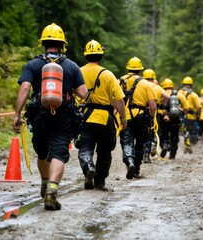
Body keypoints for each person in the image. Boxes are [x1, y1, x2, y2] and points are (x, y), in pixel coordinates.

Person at [13, 23, 87, 211]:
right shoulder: (71, 65)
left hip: (39, 114)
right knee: (59, 153)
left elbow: (25, 88)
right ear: (62, 44)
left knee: (42, 152)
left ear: (43, 43)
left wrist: (17, 114)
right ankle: (52, 192)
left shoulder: (33, 64)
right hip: (63, 115)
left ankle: (45, 183)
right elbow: (83, 93)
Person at [77, 40, 127, 191]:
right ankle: (99, 181)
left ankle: (88, 167)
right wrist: (123, 119)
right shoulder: (108, 74)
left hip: (84, 116)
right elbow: (119, 100)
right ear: (101, 56)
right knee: (104, 151)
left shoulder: (78, 72)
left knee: (85, 147)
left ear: (85, 56)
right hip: (105, 118)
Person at [119, 57, 156, 178]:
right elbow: (152, 105)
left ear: (128, 68)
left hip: (125, 116)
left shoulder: (120, 81)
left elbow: (115, 100)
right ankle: (136, 169)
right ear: (140, 70)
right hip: (141, 116)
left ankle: (129, 161)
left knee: (126, 141)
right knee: (140, 143)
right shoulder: (146, 83)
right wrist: (152, 117)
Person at [142, 69, 169, 163]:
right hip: (154, 112)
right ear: (153, 77)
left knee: (143, 133)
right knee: (155, 131)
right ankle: (157, 145)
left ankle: (144, 153)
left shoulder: (141, 85)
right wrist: (162, 103)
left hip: (141, 111)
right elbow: (167, 97)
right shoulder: (157, 87)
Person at [159, 78, 189, 159]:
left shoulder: (161, 93)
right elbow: (186, 107)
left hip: (163, 119)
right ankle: (172, 155)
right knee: (174, 136)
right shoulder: (179, 95)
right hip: (176, 119)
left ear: (163, 86)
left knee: (163, 134)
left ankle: (164, 145)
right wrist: (181, 115)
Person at [178, 76, 201, 153]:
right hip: (191, 116)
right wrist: (198, 115)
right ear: (191, 85)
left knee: (185, 130)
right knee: (192, 132)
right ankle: (190, 144)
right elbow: (199, 107)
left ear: (183, 84)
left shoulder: (179, 93)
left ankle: (187, 144)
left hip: (181, 115)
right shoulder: (194, 95)